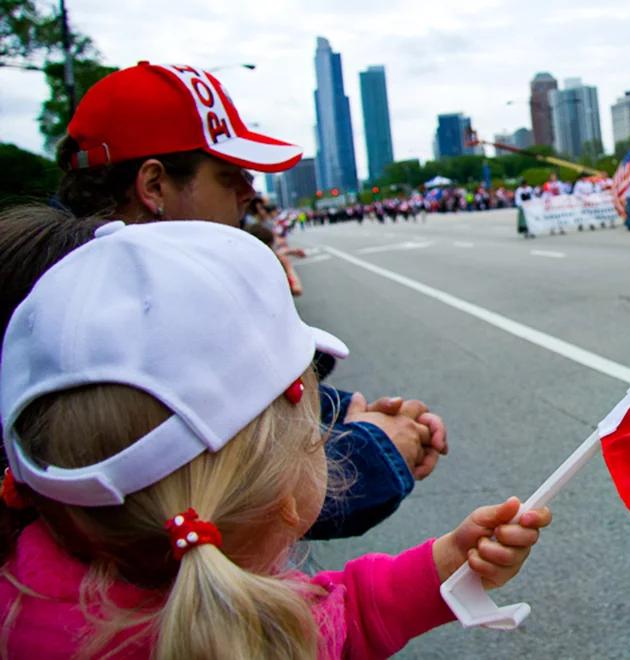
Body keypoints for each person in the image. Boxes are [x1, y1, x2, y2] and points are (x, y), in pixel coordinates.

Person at [0, 216, 551, 657]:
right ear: (290, 501)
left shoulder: (22, 601)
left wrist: (443, 566)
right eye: (315, 436)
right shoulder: (266, 635)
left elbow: (346, 611)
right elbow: (336, 625)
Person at [51, 61, 444, 540]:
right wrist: (375, 448)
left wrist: (339, 414)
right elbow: (189, 512)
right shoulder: (85, 326)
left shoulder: (102, 288)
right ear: (154, 186)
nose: (250, 191)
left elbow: (226, 407)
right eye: (229, 175)